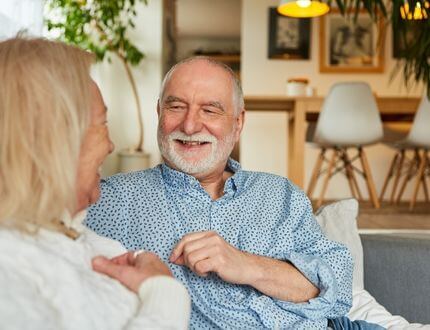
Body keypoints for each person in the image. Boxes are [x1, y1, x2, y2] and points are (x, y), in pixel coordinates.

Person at [86, 57, 382, 329]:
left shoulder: (281, 194)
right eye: (176, 107)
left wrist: (247, 266)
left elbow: (337, 285)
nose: (190, 125)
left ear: (238, 123)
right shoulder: (113, 199)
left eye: (210, 110)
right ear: (159, 112)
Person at [0, 37, 190, 329]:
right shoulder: (10, 274)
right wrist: (166, 293)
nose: (111, 144)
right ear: (55, 140)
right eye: (102, 123)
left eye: (211, 110)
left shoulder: (74, 231)